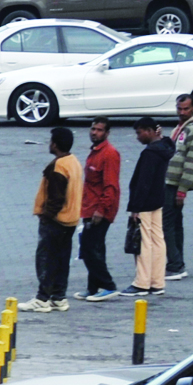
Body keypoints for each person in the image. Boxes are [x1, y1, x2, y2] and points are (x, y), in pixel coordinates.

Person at [20, 127, 83, 312]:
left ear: (55, 144)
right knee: (62, 260)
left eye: (51, 141)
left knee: (46, 259)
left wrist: (46, 216)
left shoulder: (59, 167)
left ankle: (43, 298)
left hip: (56, 220)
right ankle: (59, 297)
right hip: (71, 220)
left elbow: (56, 198)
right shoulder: (74, 162)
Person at [128, 117, 175, 298]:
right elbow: (169, 143)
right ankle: (157, 282)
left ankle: (142, 283)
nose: (138, 137)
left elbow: (143, 183)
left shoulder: (149, 154)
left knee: (144, 242)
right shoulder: (165, 148)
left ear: (148, 131)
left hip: (145, 203)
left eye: (140, 133)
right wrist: (161, 136)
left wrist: (135, 208)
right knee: (158, 240)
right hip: (158, 200)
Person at [77, 118, 121, 301]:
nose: (94, 132)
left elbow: (110, 186)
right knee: (95, 248)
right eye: (93, 129)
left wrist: (101, 210)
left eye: (99, 130)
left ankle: (108, 285)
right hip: (90, 207)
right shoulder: (95, 152)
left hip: (99, 209)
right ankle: (93, 287)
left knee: (89, 248)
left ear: (107, 133)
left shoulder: (109, 154)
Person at [165, 93, 193, 280]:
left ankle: (175, 265)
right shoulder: (181, 128)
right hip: (172, 183)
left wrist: (182, 190)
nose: (182, 112)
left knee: (168, 224)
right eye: (179, 109)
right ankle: (177, 262)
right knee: (175, 224)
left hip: (176, 185)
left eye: (186, 109)